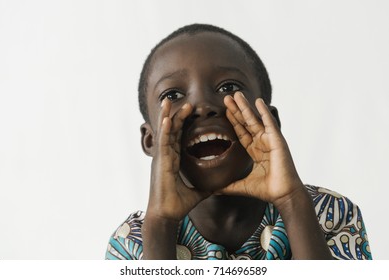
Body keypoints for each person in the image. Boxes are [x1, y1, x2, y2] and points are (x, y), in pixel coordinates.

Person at [105, 24, 372, 260]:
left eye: (228, 87)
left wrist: (292, 202)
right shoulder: (130, 244)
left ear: (270, 121)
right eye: (173, 94)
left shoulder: (332, 214)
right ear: (150, 140)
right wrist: (161, 225)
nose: (202, 107)